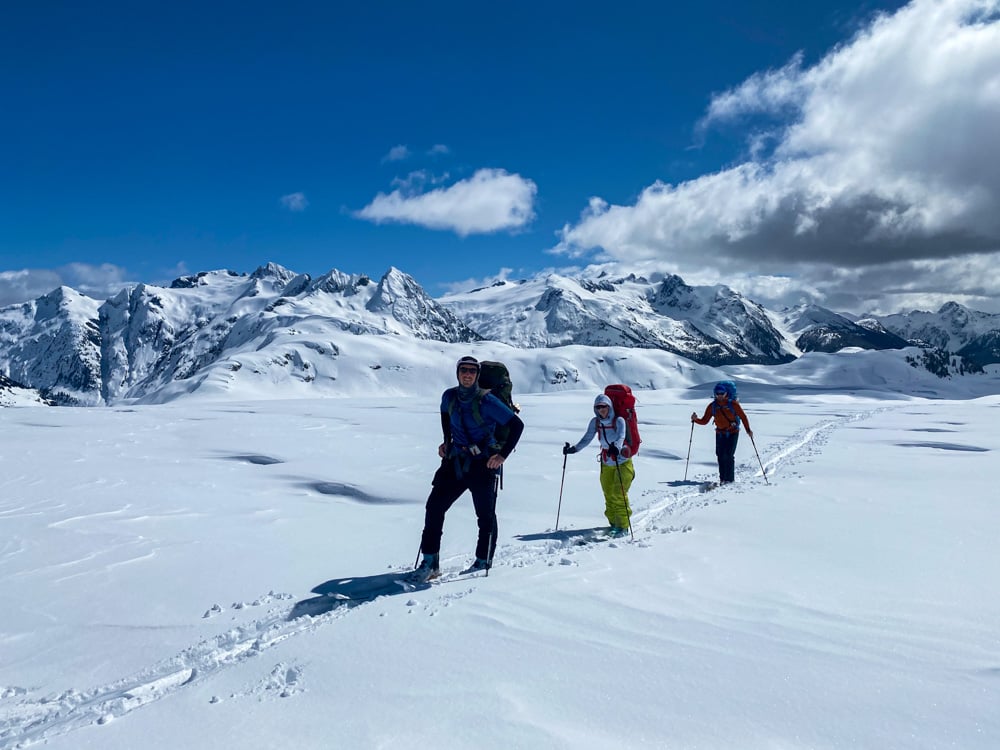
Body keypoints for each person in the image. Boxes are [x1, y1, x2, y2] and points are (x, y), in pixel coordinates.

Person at [411, 356, 524, 581]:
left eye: (472, 371)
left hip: (483, 463)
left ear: (478, 375)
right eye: (464, 370)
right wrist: (446, 441)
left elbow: (516, 425)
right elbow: (446, 416)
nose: (468, 374)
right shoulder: (449, 396)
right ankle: (430, 562)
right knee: (434, 507)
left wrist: (501, 456)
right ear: (458, 372)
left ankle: (483, 561)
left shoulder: (488, 401)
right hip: (455, 460)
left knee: (485, 515)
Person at [562, 394, 634, 537]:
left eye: (604, 407)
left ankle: (623, 527)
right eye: (598, 407)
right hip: (606, 461)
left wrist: (617, 448)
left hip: (622, 462)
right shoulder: (596, 422)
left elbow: (621, 436)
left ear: (609, 406)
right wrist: (574, 449)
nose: (601, 410)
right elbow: (587, 438)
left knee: (618, 493)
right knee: (608, 493)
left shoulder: (619, 420)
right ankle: (614, 523)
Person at [691, 382, 753, 484]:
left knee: (728, 455)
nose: (720, 395)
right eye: (718, 393)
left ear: (726, 393)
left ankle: (729, 479)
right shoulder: (712, 406)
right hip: (720, 433)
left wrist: (748, 430)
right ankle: (723, 479)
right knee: (720, 455)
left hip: (733, 432)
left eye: (722, 393)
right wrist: (696, 419)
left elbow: (743, 417)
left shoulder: (733, 404)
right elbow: (705, 421)